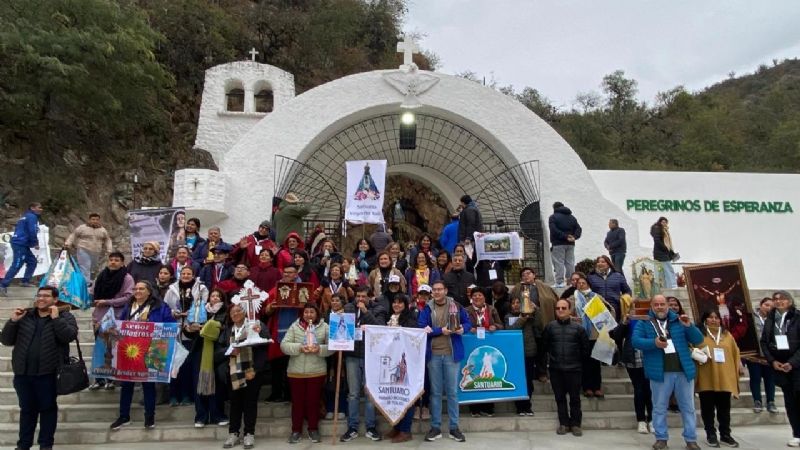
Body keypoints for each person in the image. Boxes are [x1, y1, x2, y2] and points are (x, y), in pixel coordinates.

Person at [2, 285, 78, 450]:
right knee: (27, 410)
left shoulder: (65, 316)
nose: (41, 298)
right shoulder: (25, 316)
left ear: (55, 299)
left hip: (48, 373)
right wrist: (13, 321)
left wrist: (56, 319)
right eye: (39, 295)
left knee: (47, 410)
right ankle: (23, 445)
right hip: (23, 373)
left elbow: (69, 336)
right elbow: (6, 340)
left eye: (46, 296)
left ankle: (45, 445)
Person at [632, 294, 704, 450]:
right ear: (651, 306)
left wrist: (689, 326)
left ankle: (691, 439)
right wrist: (653, 343)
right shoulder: (644, 322)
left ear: (667, 305)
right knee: (659, 407)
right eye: (656, 304)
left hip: (683, 371)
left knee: (688, 407)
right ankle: (661, 438)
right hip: (660, 372)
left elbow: (698, 340)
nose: (660, 307)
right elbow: (635, 341)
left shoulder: (679, 320)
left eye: (662, 304)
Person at [110, 281, 176, 431]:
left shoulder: (160, 306)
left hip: (150, 349)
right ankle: (123, 416)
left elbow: (170, 325)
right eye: (135, 288)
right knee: (126, 383)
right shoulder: (128, 306)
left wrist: (150, 324)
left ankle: (149, 417)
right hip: (130, 350)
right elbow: (120, 324)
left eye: (141, 288)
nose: (137, 291)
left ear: (149, 292)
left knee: (148, 384)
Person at [418, 280, 471, 442]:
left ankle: (454, 427)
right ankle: (436, 427)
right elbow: (421, 327)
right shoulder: (427, 307)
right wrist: (439, 330)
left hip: (451, 354)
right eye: (435, 290)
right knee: (435, 392)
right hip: (433, 355)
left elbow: (468, 322)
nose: (437, 292)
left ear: (446, 290)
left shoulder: (456, 305)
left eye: (440, 289)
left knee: (452, 392)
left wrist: (464, 329)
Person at [219, 303, 270, 450]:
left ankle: (249, 433)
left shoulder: (255, 325)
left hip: (252, 371)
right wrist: (229, 351)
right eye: (232, 312)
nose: (235, 314)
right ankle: (233, 433)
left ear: (245, 312)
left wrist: (255, 369)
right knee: (235, 404)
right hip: (233, 371)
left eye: (238, 311)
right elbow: (219, 351)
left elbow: (264, 344)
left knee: (250, 403)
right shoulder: (228, 331)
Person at [340, 286, 385, 442]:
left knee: (369, 393)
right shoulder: (348, 308)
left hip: (370, 355)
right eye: (358, 296)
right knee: (353, 393)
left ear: (369, 297)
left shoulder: (378, 308)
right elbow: (342, 328)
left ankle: (371, 426)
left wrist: (365, 311)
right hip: (352, 355)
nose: (360, 299)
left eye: (363, 296)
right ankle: (352, 427)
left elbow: (380, 327)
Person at [281, 303, 330, 444]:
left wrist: (319, 349)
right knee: (297, 403)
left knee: (313, 402)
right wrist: (299, 348)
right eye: (306, 312)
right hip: (296, 372)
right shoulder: (295, 326)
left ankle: (313, 429)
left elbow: (332, 347)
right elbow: (284, 345)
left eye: (312, 312)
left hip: (316, 371)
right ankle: (296, 430)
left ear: (317, 313)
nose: (309, 314)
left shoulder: (324, 327)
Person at [695, 309, 742, 448]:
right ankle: (711, 434)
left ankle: (726, 434)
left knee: (724, 409)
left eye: (716, 317)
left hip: (725, 377)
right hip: (706, 376)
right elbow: (691, 348)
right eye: (710, 317)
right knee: (707, 408)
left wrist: (738, 368)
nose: (714, 320)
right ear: (705, 319)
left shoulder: (727, 335)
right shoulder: (699, 334)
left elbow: (735, 352)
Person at [164, 265, 209, 407]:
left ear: (193, 275)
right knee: (174, 364)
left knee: (188, 364)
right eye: (183, 273)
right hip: (175, 330)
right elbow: (166, 307)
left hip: (191, 330)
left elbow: (202, 306)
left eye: (189, 273)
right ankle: (173, 395)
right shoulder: (172, 289)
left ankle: (186, 395)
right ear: (179, 274)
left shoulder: (201, 288)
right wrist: (173, 313)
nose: (186, 275)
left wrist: (189, 315)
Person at [542, 298, 589, 436]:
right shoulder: (550, 327)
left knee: (575, 398)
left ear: (570, 310)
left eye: (564, 308)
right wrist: (544, 368)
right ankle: (563, 424)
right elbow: (544, 349)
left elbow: (585, 350)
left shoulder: (579, 329)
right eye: (558, 308)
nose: (561, 310)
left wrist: (580, 366)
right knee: (560, 398)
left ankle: (575, 424)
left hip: (574, 369)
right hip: (556, 369)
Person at [89, 251, 134, 390]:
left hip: (116, 317)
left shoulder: (126, 278)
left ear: (122, 262)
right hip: (100, 317)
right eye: (111, 260)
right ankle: (98, 379)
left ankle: (112, 379)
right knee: (100, 349)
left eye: (116, 260)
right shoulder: (101, 276)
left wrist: (107, 301)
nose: (113, 262)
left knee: (112, 350)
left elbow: (128, 297)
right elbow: (92, 291)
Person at [760, 290, 800, 447]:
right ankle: (797, 434)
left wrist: (793, 362)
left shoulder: (797, 317)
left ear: (789, 301)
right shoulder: (770, 319)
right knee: (790, 402)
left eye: (782, 299)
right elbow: (764, 342)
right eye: (775, 299)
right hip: (780, 366)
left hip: (797, 365)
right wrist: (773, 361)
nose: (778, 301)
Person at [570, 274, 616, 398]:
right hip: (581, 333)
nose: (580, 285)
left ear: (588, 284)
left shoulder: (596, 297)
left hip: (596, 334)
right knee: (584, 362)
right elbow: (567, 314)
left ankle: (597, 387)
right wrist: (574, 319)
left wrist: (602, 313)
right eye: (578, 283)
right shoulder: (572, 298)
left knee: (595, 362)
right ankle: (587, 387)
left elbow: (611, 310)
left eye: (583, 283)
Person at [262, 266, 302, 403]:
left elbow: (311, 309)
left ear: (296, 274)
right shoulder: (276, 289)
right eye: (285, 272)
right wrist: (271, 307)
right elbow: (266, 311)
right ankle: (276, 393)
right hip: (277, 331)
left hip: (297, 332)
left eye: (290, 272)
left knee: (292, 365)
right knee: (277, 364)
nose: (287, 274)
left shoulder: (303, 289)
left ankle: (291, 395)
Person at [511, 267, 559, 381]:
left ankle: (542, 372)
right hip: (525, 322)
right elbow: (512, 302)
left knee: (542, 347)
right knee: (527, 349)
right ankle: (528, 372)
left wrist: (537, 307)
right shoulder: (518, 288)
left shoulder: (544, 287)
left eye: (528, 273)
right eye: (523, 275)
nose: (526, 276)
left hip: (540, 320)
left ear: (534, 275)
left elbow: (552, 300)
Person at [383, 293, 420, 443]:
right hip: (394, 361)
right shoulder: (391, 318)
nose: (396, 305)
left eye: (400, 303)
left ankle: (406, 430)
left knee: (406, 396)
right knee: (395, 395)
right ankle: (397, 427)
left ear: (405, 305)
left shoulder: (410, 320)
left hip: (406, 362)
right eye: (394, 302)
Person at [466, 288, 503, 417]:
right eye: (474, 295)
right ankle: (474, 407)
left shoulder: (491, 309)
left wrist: (495, 327)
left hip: (489, 346)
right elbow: (461, 325)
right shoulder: (466, 310)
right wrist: (468, 328)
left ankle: (488, 406)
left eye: (479, 295)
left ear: (484, 297)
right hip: (472, 346)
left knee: (489, 375)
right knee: (475, 373)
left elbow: (500, 324)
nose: (477, 297)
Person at [618, 302, 653, 434]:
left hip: (650, 358)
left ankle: (652, 419)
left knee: (650, 389)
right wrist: (624, 323)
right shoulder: (628, 322)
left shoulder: (650, 320)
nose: (636, 312)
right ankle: (641, 420)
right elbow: (616, 335)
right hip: (633, 359)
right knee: (638, 389)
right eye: (634, 309)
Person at [507, 296, 541, 416]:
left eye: (518, 303)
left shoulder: (530, 317)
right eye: (513, 303)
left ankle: (527, 406)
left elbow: (539, 324)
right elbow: (511, 330)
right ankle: (520, 407)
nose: (516, 305)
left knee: (528, 381)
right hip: (515, 353)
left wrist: (535, 310)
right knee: (518, 380)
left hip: (528, 352)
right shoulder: (508, 317)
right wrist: (522, 318)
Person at [0, 203, 42, 296]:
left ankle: (25, 281)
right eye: (39, 207)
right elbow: (32, 230)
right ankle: (2, 285)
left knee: (32, 262)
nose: (41, 209)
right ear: (32, 208)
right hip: (20, 243)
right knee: (17, 264)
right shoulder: (32, 217)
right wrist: (35, 243)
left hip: (22, 243)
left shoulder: (25, 216)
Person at [64, 212, 113, 283]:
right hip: (83, 249)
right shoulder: (82, 228)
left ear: (99, 220)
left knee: (92, 267)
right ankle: (86, 284)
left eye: (97, 219)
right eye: (93, 219)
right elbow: (73, 235)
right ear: (89, 220)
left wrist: (109, 249)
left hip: (96, 251)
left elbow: (107, 240)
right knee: (85, 267)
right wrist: (68, 243)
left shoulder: (102, 230)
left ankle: (86, 281)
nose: (95, 221)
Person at [749, 297, 777, 414]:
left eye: (771, 306)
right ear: (760, 305)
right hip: (754, 354)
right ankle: (757, 401)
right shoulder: (751, 317)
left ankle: (770, 402)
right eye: (766, 305)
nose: (768, 308)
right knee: (755, 378)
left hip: (769, 355)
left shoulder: (775, 320)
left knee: (770, 379)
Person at [324, 293, 348, 421]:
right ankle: (329, 408)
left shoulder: (347, 315)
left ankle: (342, 408)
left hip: (343, 352)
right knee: (329, 380)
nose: (334, 303)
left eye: (337, 300)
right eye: (332, 300)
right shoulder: (325, 315)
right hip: (329, 353)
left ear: (342, 302)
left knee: (342, 380)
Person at [587, 255, 631, 322]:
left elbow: (627, 291)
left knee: (615, 330)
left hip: (615, 307)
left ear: (608, 264)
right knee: (601, 331)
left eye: (603, 262)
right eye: (598, 262)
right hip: (597, 308)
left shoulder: (618, 276)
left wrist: (624, 299)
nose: (600, 263)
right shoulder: (591, 277)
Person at [548, 201, 582, 288]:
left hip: (558, 243)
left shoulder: (553, 217)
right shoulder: (572, 217)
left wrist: (565, 236)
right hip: (571, 244)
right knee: (570, 262)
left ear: (554, 208)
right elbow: (579, 229)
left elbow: (553, 230)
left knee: (559, 262)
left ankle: (559, 282)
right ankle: (571, 281)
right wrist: (574, 237)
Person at [650, 217, 677, 289]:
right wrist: (665, 249)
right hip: (661, 253)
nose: (664, 223)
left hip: (662, 253)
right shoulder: (658, 229)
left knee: (663, 271)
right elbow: (657, 241)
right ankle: (672, 285)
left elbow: (667, 243)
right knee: (668, 269)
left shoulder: (664, 230)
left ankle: (666, 286)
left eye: (666, 222)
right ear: (659, 222)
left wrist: (671, 252)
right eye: (663, 222)